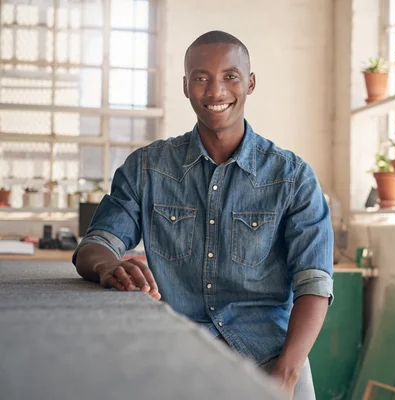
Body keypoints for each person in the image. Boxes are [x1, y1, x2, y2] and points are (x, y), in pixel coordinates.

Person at [72, 30, 334, 400]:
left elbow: (315, 285)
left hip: (270, 357)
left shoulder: (293, 178)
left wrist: (285, 377)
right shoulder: (146, 168)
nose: (215, 91)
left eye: (230, 76)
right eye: (201, 78)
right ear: (185, 86)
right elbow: (96, 244)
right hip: (171, 358)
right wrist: (106, 268)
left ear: (250, 83)